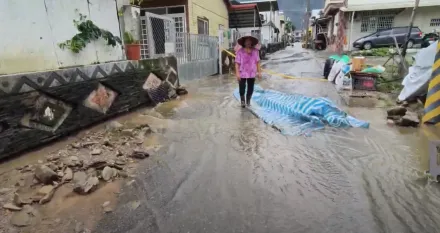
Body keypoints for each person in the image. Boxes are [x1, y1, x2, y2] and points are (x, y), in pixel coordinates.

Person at [235, 36, 262, 108]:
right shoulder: (240, 51)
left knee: (251, 88)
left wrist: (259, 72)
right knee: (242, 87)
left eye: (249, 41)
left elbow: (258, 62)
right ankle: (243, 101)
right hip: (242, 72)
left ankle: (248, 101)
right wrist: (237, 73)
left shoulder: (255, 51)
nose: (248, 42)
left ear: (252, 42)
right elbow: (237, 63)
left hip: (252, 72)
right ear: (244, 42)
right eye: (247, 41)